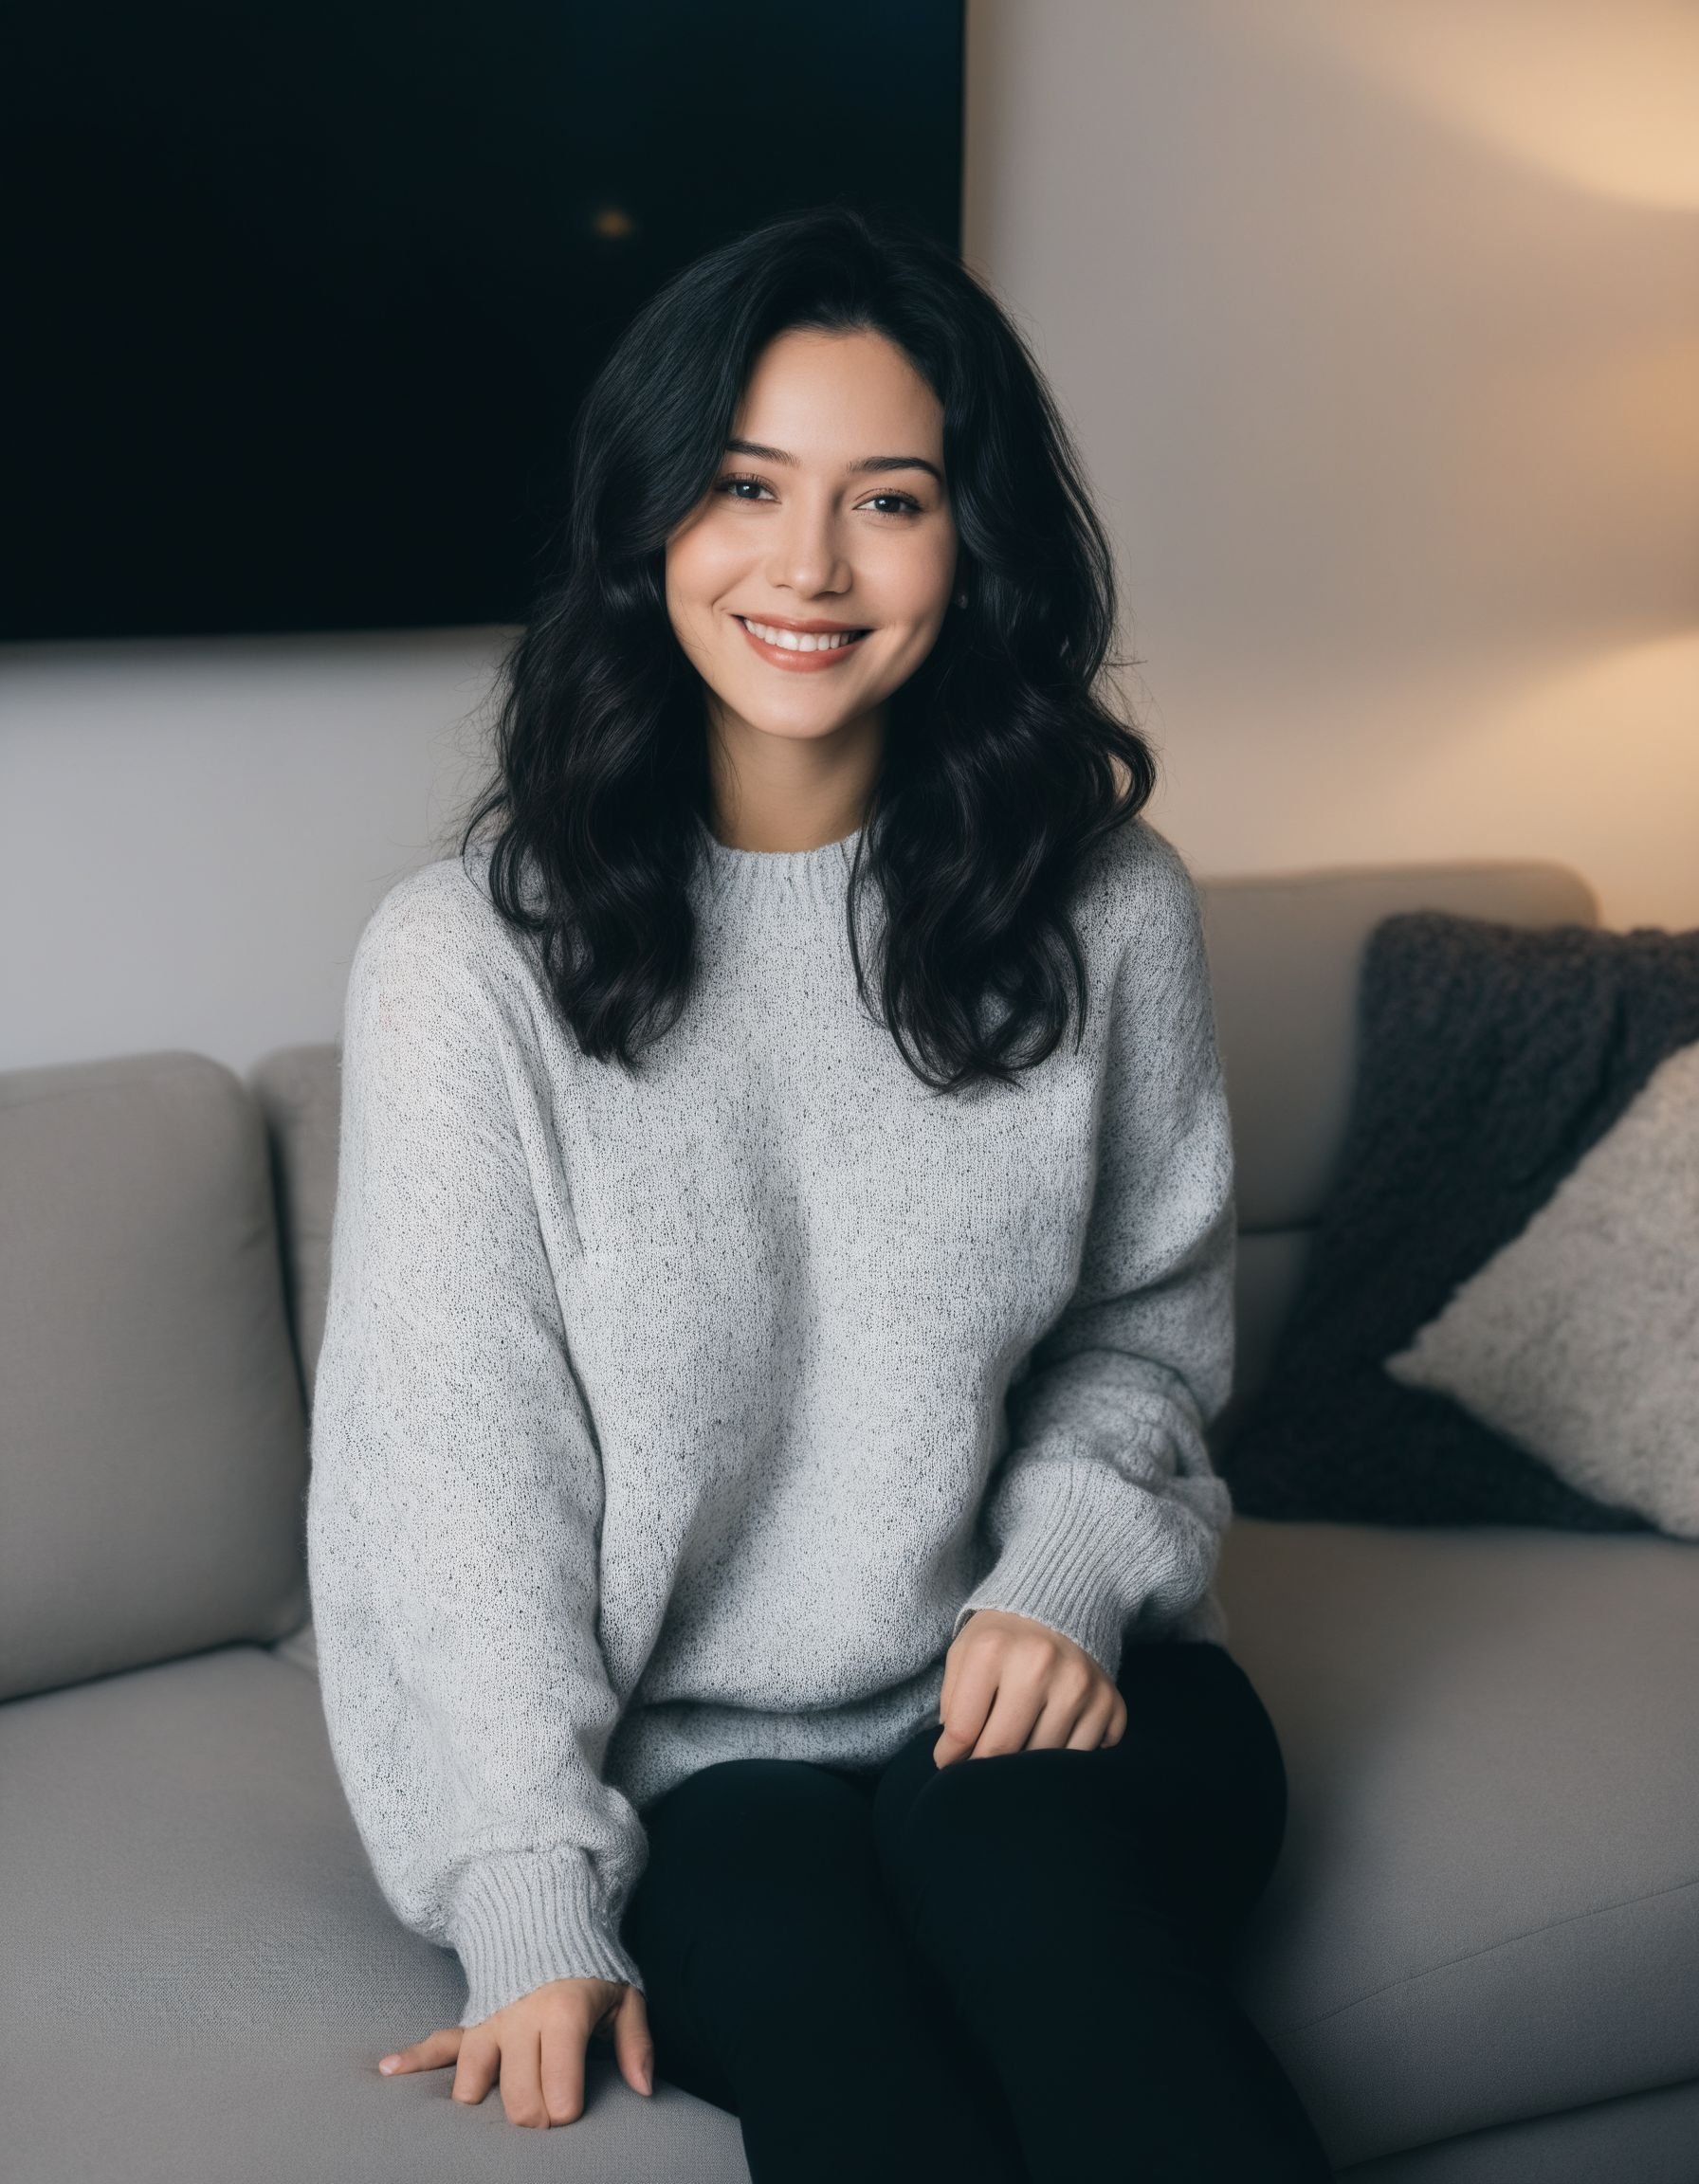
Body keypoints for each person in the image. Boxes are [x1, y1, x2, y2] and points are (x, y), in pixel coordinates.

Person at [306, 200, 1334, 2181]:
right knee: (841, 2037)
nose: (806, 566)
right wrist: (524, 1886)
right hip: (712, 1779)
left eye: (888, 501)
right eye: (742, 488)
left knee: (1013, 1865)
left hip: (1056, 1702)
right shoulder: (466, 966)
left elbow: (1142, 1336)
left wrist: (1057, 1580)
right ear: (647, 528)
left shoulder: (1104, 909)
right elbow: (449, 1478)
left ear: (974, 547)